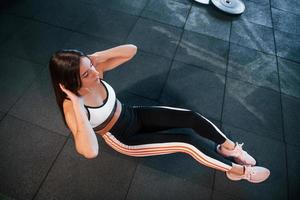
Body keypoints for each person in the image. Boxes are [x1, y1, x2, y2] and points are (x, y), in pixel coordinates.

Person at [48, 44, 270, 183]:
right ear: (71, 81)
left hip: (132, 113)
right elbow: (89, 151)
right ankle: (238, 171)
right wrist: (77, 105)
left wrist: (94, 57)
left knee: (189, 117)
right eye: (87, 73)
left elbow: (131, 50)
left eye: (91, 66)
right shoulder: (72, 107)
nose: (95, 73)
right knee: (188, 143)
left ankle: (228, 147)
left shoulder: (96, 72)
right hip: (124, 138)